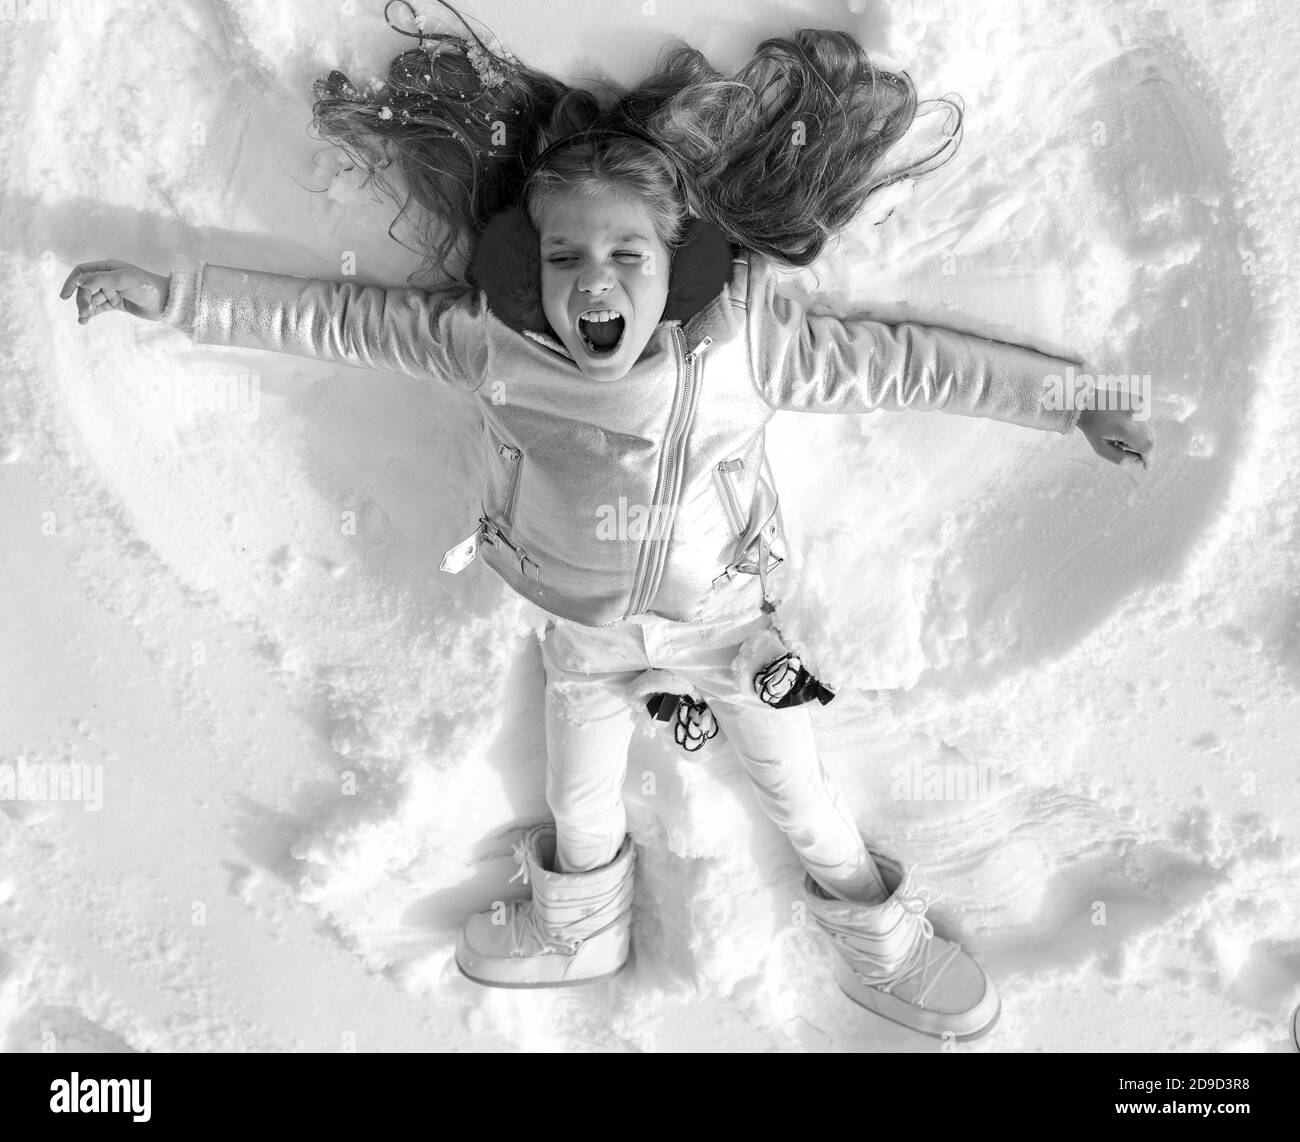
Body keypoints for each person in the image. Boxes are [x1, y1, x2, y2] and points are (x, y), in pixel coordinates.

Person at [60, 0, 1154, 1041]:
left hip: (729, 629)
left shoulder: (741, 348)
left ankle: (878, 931)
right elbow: (338, 317)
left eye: (624, 254)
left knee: (801, 792)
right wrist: (184, 297)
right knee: (578, 800)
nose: (595, 279)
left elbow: (914, 365)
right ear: (529, 269)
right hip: (576, 628)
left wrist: (1075, 402)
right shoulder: (490, 343)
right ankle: (577, 926)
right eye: (566, 257)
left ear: (671, 261)